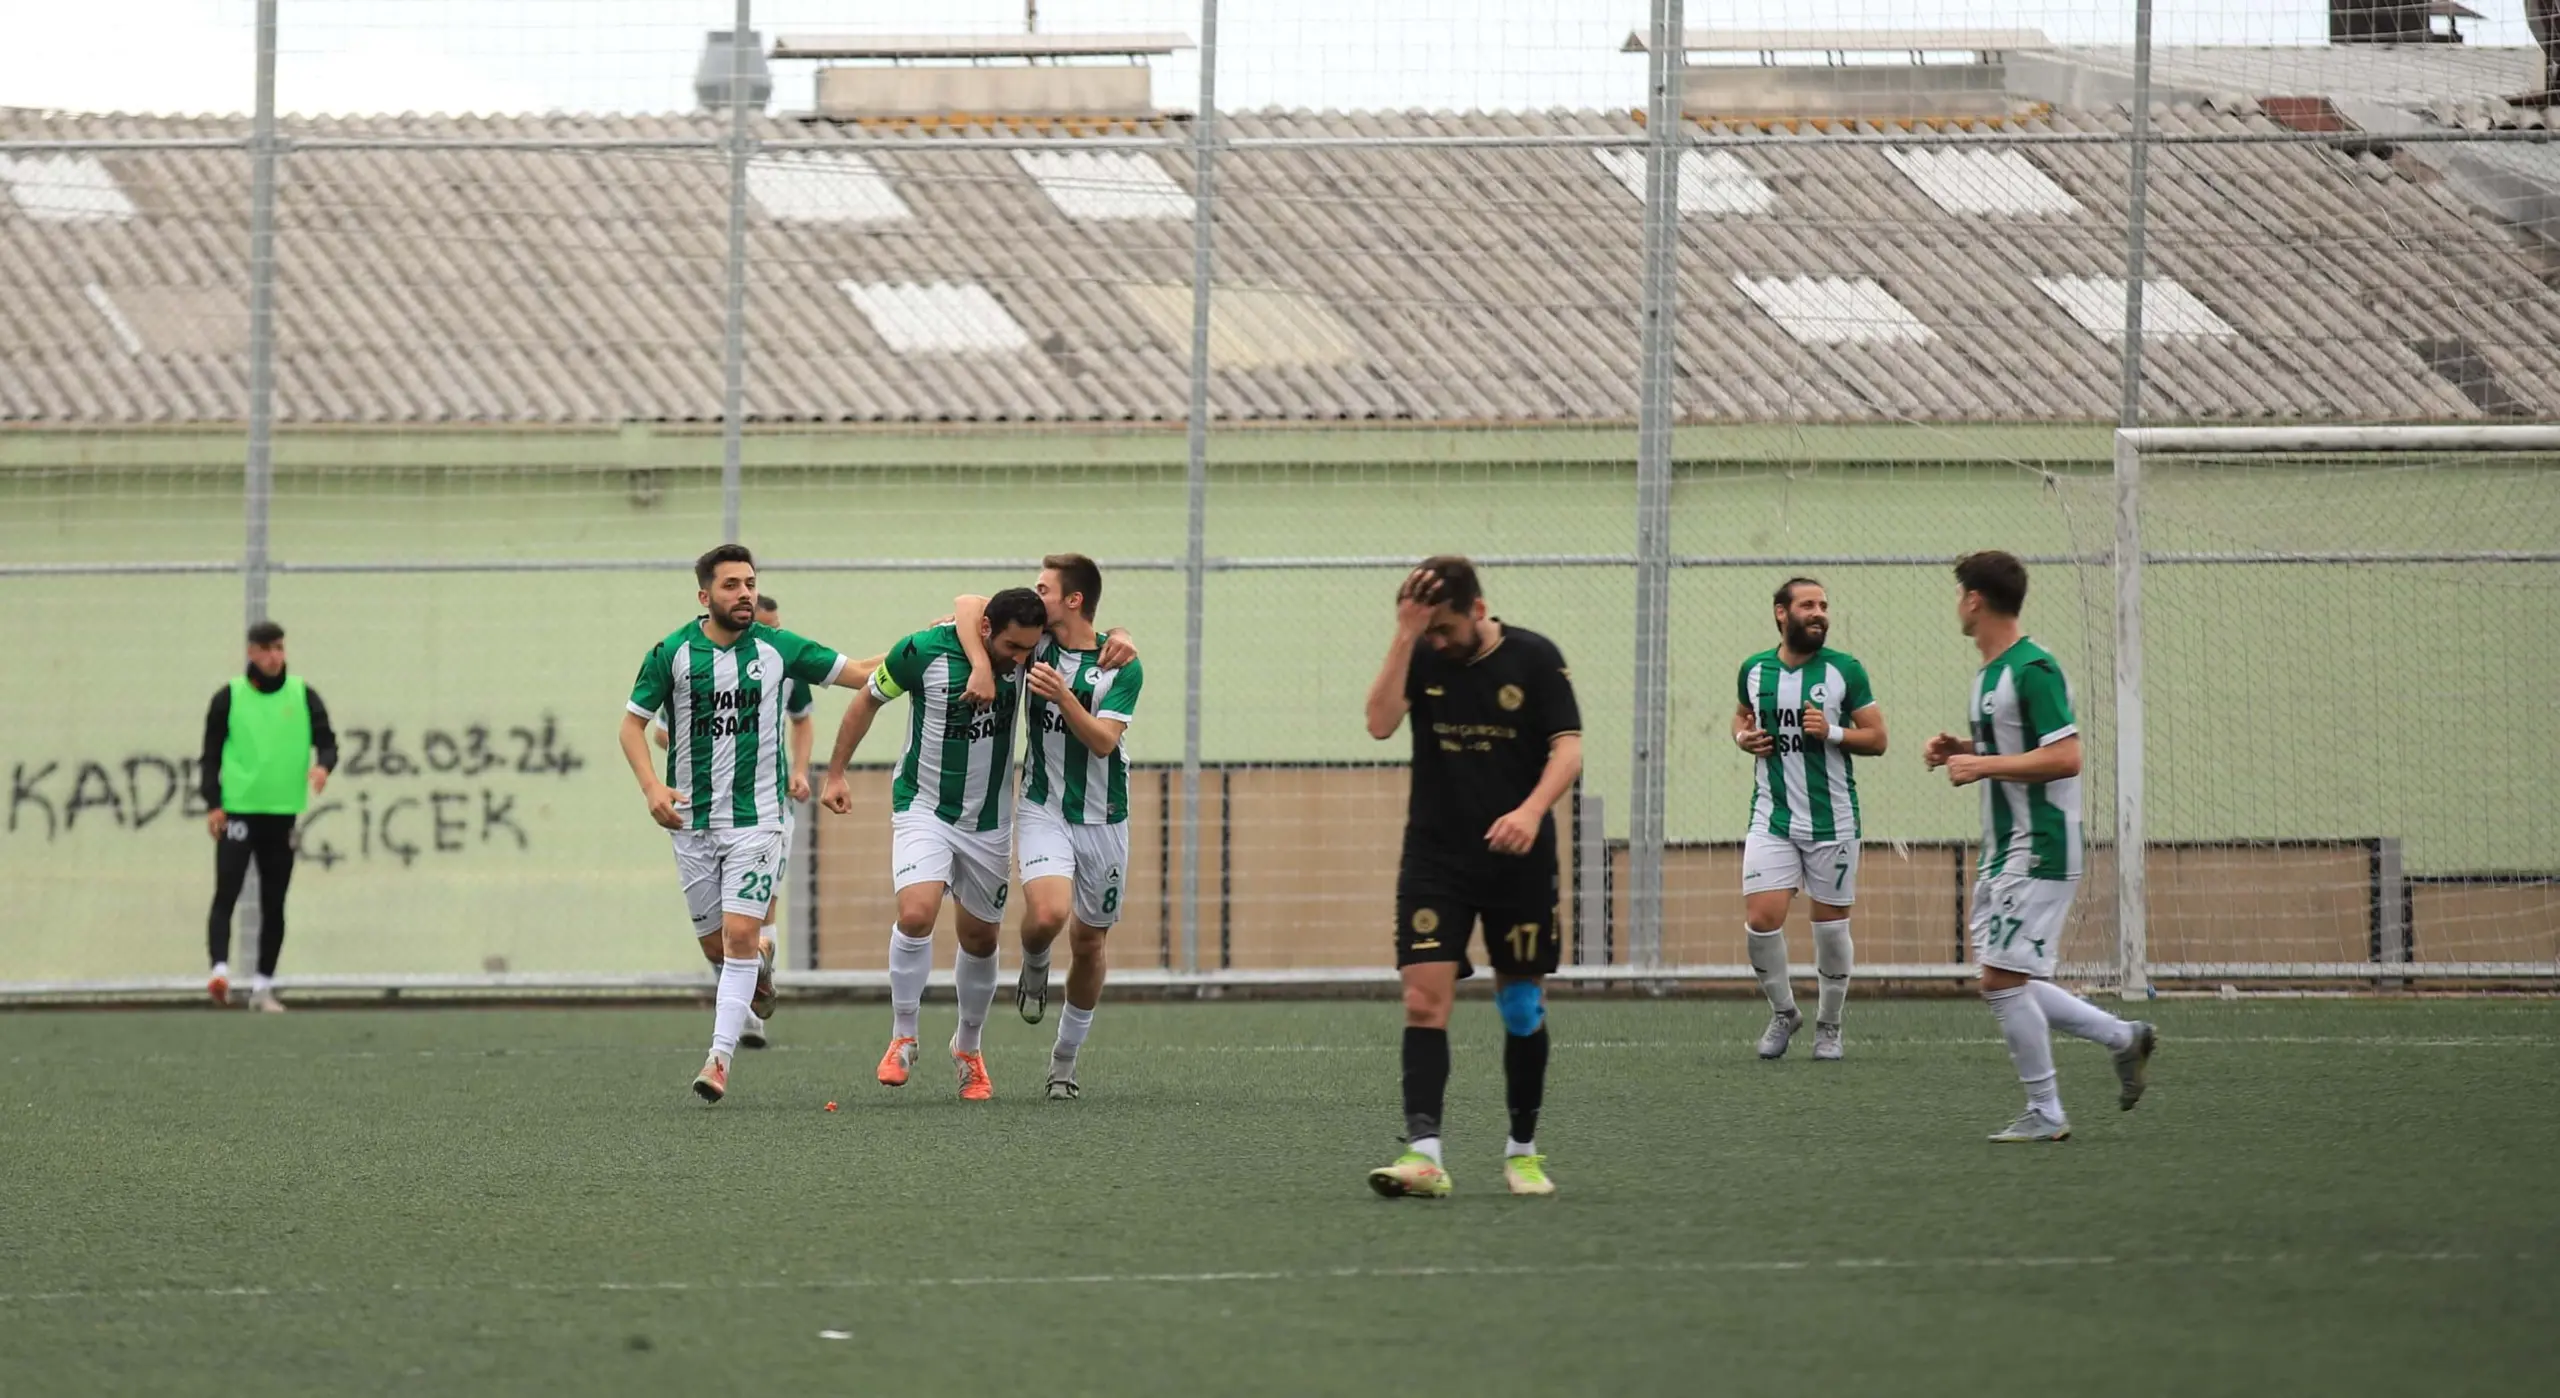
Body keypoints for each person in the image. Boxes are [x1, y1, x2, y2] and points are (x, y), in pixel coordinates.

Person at [1360, 557, 1582, 1198]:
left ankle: (1523, 1153)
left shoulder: (1535, 658)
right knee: (1423, 1000)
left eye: (1446, 629)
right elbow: (1378, 723)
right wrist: (1406, 636)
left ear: (1479, 612)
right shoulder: (1420, 654)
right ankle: (1424, 1155)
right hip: (1435, 859)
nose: (1439, 642)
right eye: (1426, 630)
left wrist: (1530, 811)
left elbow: (1568, 748)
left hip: (1518, 860)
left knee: (1520, 1007)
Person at [1922, 550, 2156, 1142]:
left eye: (1960, 595)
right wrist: (1962, 747)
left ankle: (2047, 1113)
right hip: (2006, 849)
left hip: (2041, 846)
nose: (1958, 606)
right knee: (2012, 978)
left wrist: (1980, 765)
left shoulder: (2035, 668)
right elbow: (2011, 743)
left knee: (2001, 982)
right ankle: (2124, 1039)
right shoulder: (1987, 675)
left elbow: (2066, 755)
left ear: (1974, 600)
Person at [622, 544, 867, 1105]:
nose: (746, 594)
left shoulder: (780, 648)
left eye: (751, 583)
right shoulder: (672, 652)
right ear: (705, 596)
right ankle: (757, 971)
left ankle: (719, 1059)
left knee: (738, 936)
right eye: (732, 585)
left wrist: (927, 646)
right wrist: (653, 789)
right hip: (692, 824)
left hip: (758, 823)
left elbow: (859, 673)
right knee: (717, 947)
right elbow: (632, 727)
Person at [820, 588, 1051, 1102]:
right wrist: (836, 772)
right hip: (922, 807)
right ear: (988, 631)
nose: (1021, 659)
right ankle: (903, 1035)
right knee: (918, 911)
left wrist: (1121, 639)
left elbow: (981, 605)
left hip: (988, 820)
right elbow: (866, 701)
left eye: (1027, 650)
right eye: (1013, 648)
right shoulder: (922, 650)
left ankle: (968, 1049)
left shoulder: (1032, 654)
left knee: (981, 940)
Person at [952, 555, 1144, 1100]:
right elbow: (968, 606)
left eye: (1045, 587)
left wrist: (1064, 694)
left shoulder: (1121, 665)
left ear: (1074, 599)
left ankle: (1064, 1061)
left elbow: (1104, 742)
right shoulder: (1036, 644)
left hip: (1105, 818)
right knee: (1048, 914)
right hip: (1043, 805)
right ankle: (1035, 962)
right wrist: (984, 667)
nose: (1036, 594)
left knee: (1088, 943)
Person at [1731, 577, 1888, 1061]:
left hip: (1833, 821)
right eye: (1808, 605)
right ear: (1782, 613)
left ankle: (1829, 1024)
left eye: (1824, 605)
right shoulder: (1755, 670)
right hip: (1772, 816)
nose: (1819, 613)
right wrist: (1743, 739)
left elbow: (1878, 738)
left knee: (1830, 928)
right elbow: (1741, 717)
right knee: (1761, 920)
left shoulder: (1845, 670)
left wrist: (1835, 731)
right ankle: (1784, 1012)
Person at [653, 592, 817, 1050]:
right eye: (769, 624)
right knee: (719, 932)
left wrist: (800, 770)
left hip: (765, 809)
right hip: (706, 814)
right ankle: (752, 986)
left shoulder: (782, 662)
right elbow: (664, 731)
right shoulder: (694, 666)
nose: (773, 632)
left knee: (759, 911)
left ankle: (750, 1016)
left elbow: (801, 720)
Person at [199, 620, 338, 1012]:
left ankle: (263, 986)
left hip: (281, 815)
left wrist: (323, 767)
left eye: (279, 647)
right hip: (239, 811)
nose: (275, 656)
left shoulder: (303, 695)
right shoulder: (229, 697)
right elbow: (209, 756)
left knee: (274, 901)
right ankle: (220, 971)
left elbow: (328, 743)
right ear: (251, 652)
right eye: (267, 649)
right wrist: (213, 802)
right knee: (227, 891)